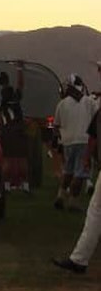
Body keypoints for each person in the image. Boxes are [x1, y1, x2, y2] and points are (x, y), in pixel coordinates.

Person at [53, 67, 101, 273]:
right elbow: (92, 134)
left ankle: (79, 259)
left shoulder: (63, 104)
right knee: (93, 207)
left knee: (71, 173)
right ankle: (79, 259)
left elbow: (93, 135)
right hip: (81, 142)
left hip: (70, 142)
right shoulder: (91, 103)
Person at [53, 74, 98, 211]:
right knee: (80, 173)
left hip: (67, 142)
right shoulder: (89, 102)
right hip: (84, 141)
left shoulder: (61, 104)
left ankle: (61, 195)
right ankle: (73, 201)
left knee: (68, 170)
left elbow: (56, 126)